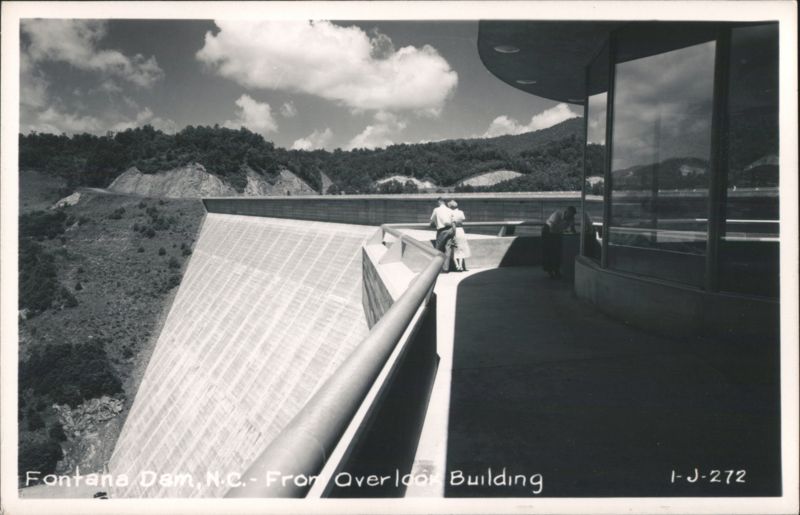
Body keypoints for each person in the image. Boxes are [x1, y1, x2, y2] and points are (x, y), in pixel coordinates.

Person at [542, 206, 576, 278]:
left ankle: (556, 270)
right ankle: (550, 271)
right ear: (566, 212)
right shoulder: (557, 214)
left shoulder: (571, 218)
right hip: (547, 231)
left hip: (556, 233)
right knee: (549, 252)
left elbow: (573, 229)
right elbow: (551, 227)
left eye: (572, 216)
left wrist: (572, 230)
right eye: (569, 215)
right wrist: (558, 234)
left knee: (557, 252)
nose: (569, 217)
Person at [430, 197, 455, 273]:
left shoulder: (436, 210)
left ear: (440, 201)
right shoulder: (450, 210)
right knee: (448, 249)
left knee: (438, 249)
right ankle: (446, 268)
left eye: (438, 202)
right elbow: (453, 222)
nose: (437, 203)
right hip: (450, 229)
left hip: (442, 231)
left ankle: (438, 268)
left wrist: (432, 224)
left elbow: (432, 220)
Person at [448, 200, 471, 271]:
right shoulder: (461, 212)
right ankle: (461, 266)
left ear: (451, 206)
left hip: (454, 230)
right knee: (461, 249)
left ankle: (457, 266)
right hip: (461, 230)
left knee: (454, 249)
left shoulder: (450, 213)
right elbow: (463, 219)